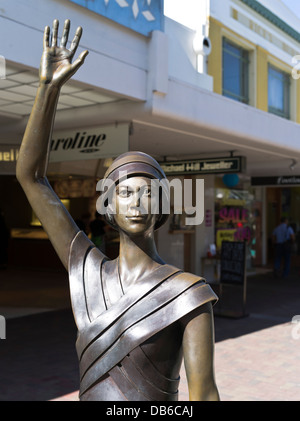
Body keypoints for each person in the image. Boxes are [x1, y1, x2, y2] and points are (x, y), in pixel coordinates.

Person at [16, 20, 219, 401]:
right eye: (125, 192)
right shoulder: (88, 271)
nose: (137, 202)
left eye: (147, 193)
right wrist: (48, 89)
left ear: (162, 206)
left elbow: (204, 395)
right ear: (108, 206)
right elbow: (31, 176)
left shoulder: (189, 294)